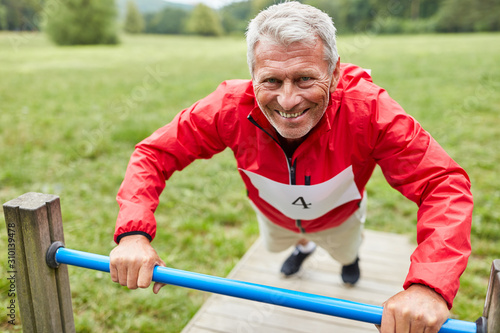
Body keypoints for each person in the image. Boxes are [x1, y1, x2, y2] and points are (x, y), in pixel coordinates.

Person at [110, 2, 473, 332]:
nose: (287, 101)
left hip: (339, 217)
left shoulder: (370, 111)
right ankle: (302, 247)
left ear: (333, 73)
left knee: (346, 252)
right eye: (271, 80)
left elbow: (442, 184)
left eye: (304, 79)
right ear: (252, 75)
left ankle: (348, 258)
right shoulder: (228, 107)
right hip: (274, 216)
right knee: (278, 245)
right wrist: (133, 234)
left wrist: (429, 285)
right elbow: (154, 154)